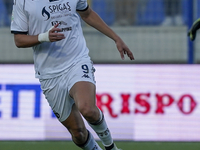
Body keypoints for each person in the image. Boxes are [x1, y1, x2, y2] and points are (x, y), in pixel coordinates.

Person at [11, 0, 134, 150]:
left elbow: (87, 14)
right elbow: (18, 39)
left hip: (76, 61)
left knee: (87, 108)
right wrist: (44, 37)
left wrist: (116, 38)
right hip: (49, 74)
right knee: (78, 133)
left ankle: (111, 147)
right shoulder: (23, 2)